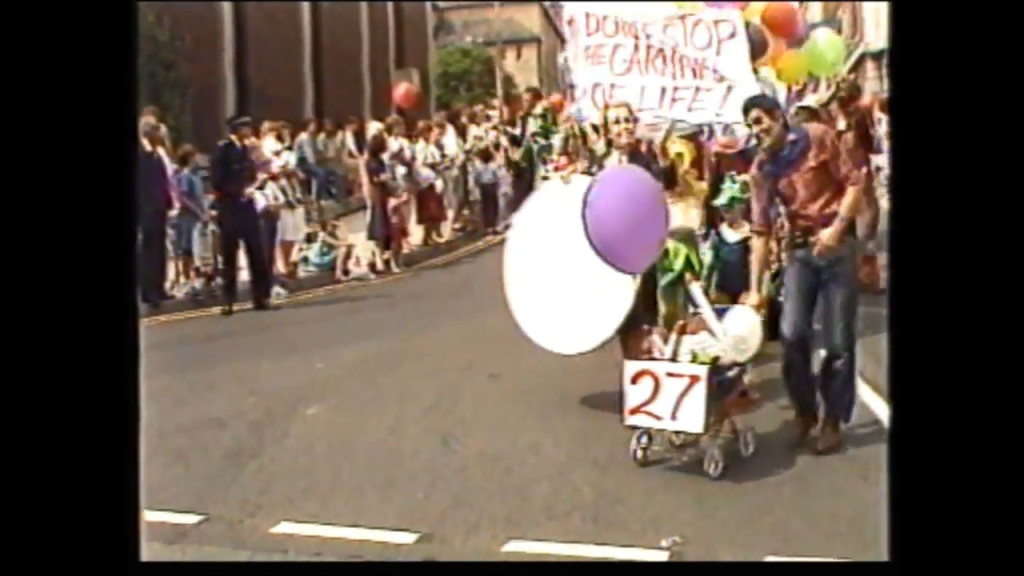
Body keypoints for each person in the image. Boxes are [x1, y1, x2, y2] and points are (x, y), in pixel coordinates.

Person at [740, 94, 863, 454]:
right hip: (799, 253)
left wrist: (838, 229)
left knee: (838, 342)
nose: (758, 130)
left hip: (837, 247)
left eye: (761, 120)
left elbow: (856, 182)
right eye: (751, 125)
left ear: (779, 116)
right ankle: (805, 411)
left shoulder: (819, 137)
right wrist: (754, 290)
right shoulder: (762, 168)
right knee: (792, 333)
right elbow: (760, 230)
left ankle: (832, 420)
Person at [209, 114, 274, 316]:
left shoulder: (246, 150)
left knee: (256, 252)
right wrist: (237, 191)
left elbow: (251, 173)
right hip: (230, 207)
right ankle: (228, 300)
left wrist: (254, 185)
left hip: (247, 206)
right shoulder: (223, 150)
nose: (248, 131)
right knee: (229, 255)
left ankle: (260, 296)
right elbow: (217, 180)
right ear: (235, 130)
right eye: (244, 128)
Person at [138, 117, 174, 310]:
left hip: (160, 207)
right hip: (147, 208)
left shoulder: (156, 154)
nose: (160, 135)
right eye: (156, 131)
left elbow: (162, 182)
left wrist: (167, 201)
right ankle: (148, 291)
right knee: (149, 250)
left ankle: (159, 287)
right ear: (148, 132)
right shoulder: (142, 154)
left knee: (160, 249)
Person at [172, 144, 209, 298]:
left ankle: (197, 280)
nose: (196, 160)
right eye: (193, 157)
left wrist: (205, 211)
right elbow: (183, 197)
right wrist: (199, 212)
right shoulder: (185, 176)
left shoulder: (196, 176)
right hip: (188, 218)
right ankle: (187, 281)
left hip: (198, 217)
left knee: (198, 250)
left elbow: (201, 197)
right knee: (187, 250)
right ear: (188, 158)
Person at [413, 120, 446, 245]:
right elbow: (420, 164)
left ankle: (431, 235)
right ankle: (426, 236)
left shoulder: (430, 145)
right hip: (425, 180)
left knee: (435, 210)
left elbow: (437, 157)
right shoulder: (420, 147)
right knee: (428, 210)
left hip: (433, 179)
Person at [472, 146, 501, 235]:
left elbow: (476, 178)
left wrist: (477, 184)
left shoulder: (479, 167)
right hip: (492, 185)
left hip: (483, 186)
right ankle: (494, 225)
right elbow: (497, 177)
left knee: (486, 207)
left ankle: (487, 226)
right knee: (494, 206)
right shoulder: (493, 166)